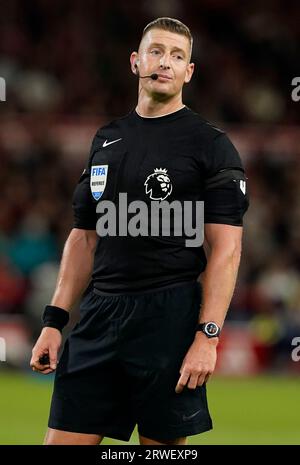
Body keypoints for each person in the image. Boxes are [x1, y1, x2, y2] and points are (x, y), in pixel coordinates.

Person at [30, 17, 249, 445]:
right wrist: (55, 321)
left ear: (189, 72)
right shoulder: (106, 140)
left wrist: (208, 336)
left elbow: (227, 250)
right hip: (97, 319)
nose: (165, 62)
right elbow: (85, 237)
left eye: (177, 56)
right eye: (156, 51)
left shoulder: (211, 145)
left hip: (168, 321)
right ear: (135, 62)